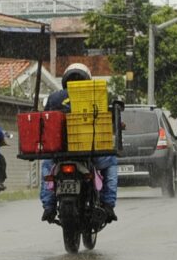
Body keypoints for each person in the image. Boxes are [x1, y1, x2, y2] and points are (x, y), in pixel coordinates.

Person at [39, 63, 119, 223]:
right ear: (87, 79)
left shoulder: (54, 98)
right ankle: (108, 205)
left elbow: (45, 122)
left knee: (47, 168)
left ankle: (49, 207)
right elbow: (107, 119)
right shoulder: (95, 95)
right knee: (111, 163)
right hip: (90, 150)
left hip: (60, 152)